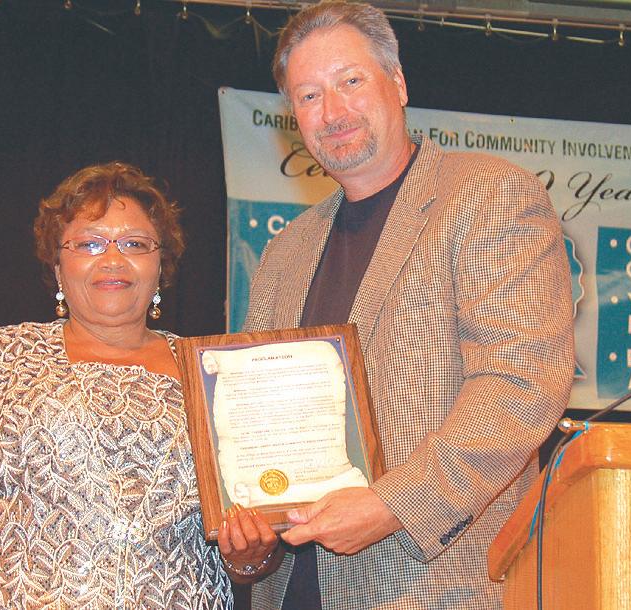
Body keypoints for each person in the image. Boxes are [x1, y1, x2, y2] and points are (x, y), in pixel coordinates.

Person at [223, 2, 575, 609]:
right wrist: (251, 534)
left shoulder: (488, 195)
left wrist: (393, 505)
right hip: (291, 592)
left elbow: (520, 385)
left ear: (399, 83)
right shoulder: (285, 250)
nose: (333, 112)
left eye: (350, 81)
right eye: (309, 96)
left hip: (430, 586)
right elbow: (255, 420)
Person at [0, 162, 235, 609]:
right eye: (89, 243)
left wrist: (251, 554)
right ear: (57, 266)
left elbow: (248, 541)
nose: (113, 259)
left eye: (134, 243)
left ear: (160, 265)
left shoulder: (211, 372)